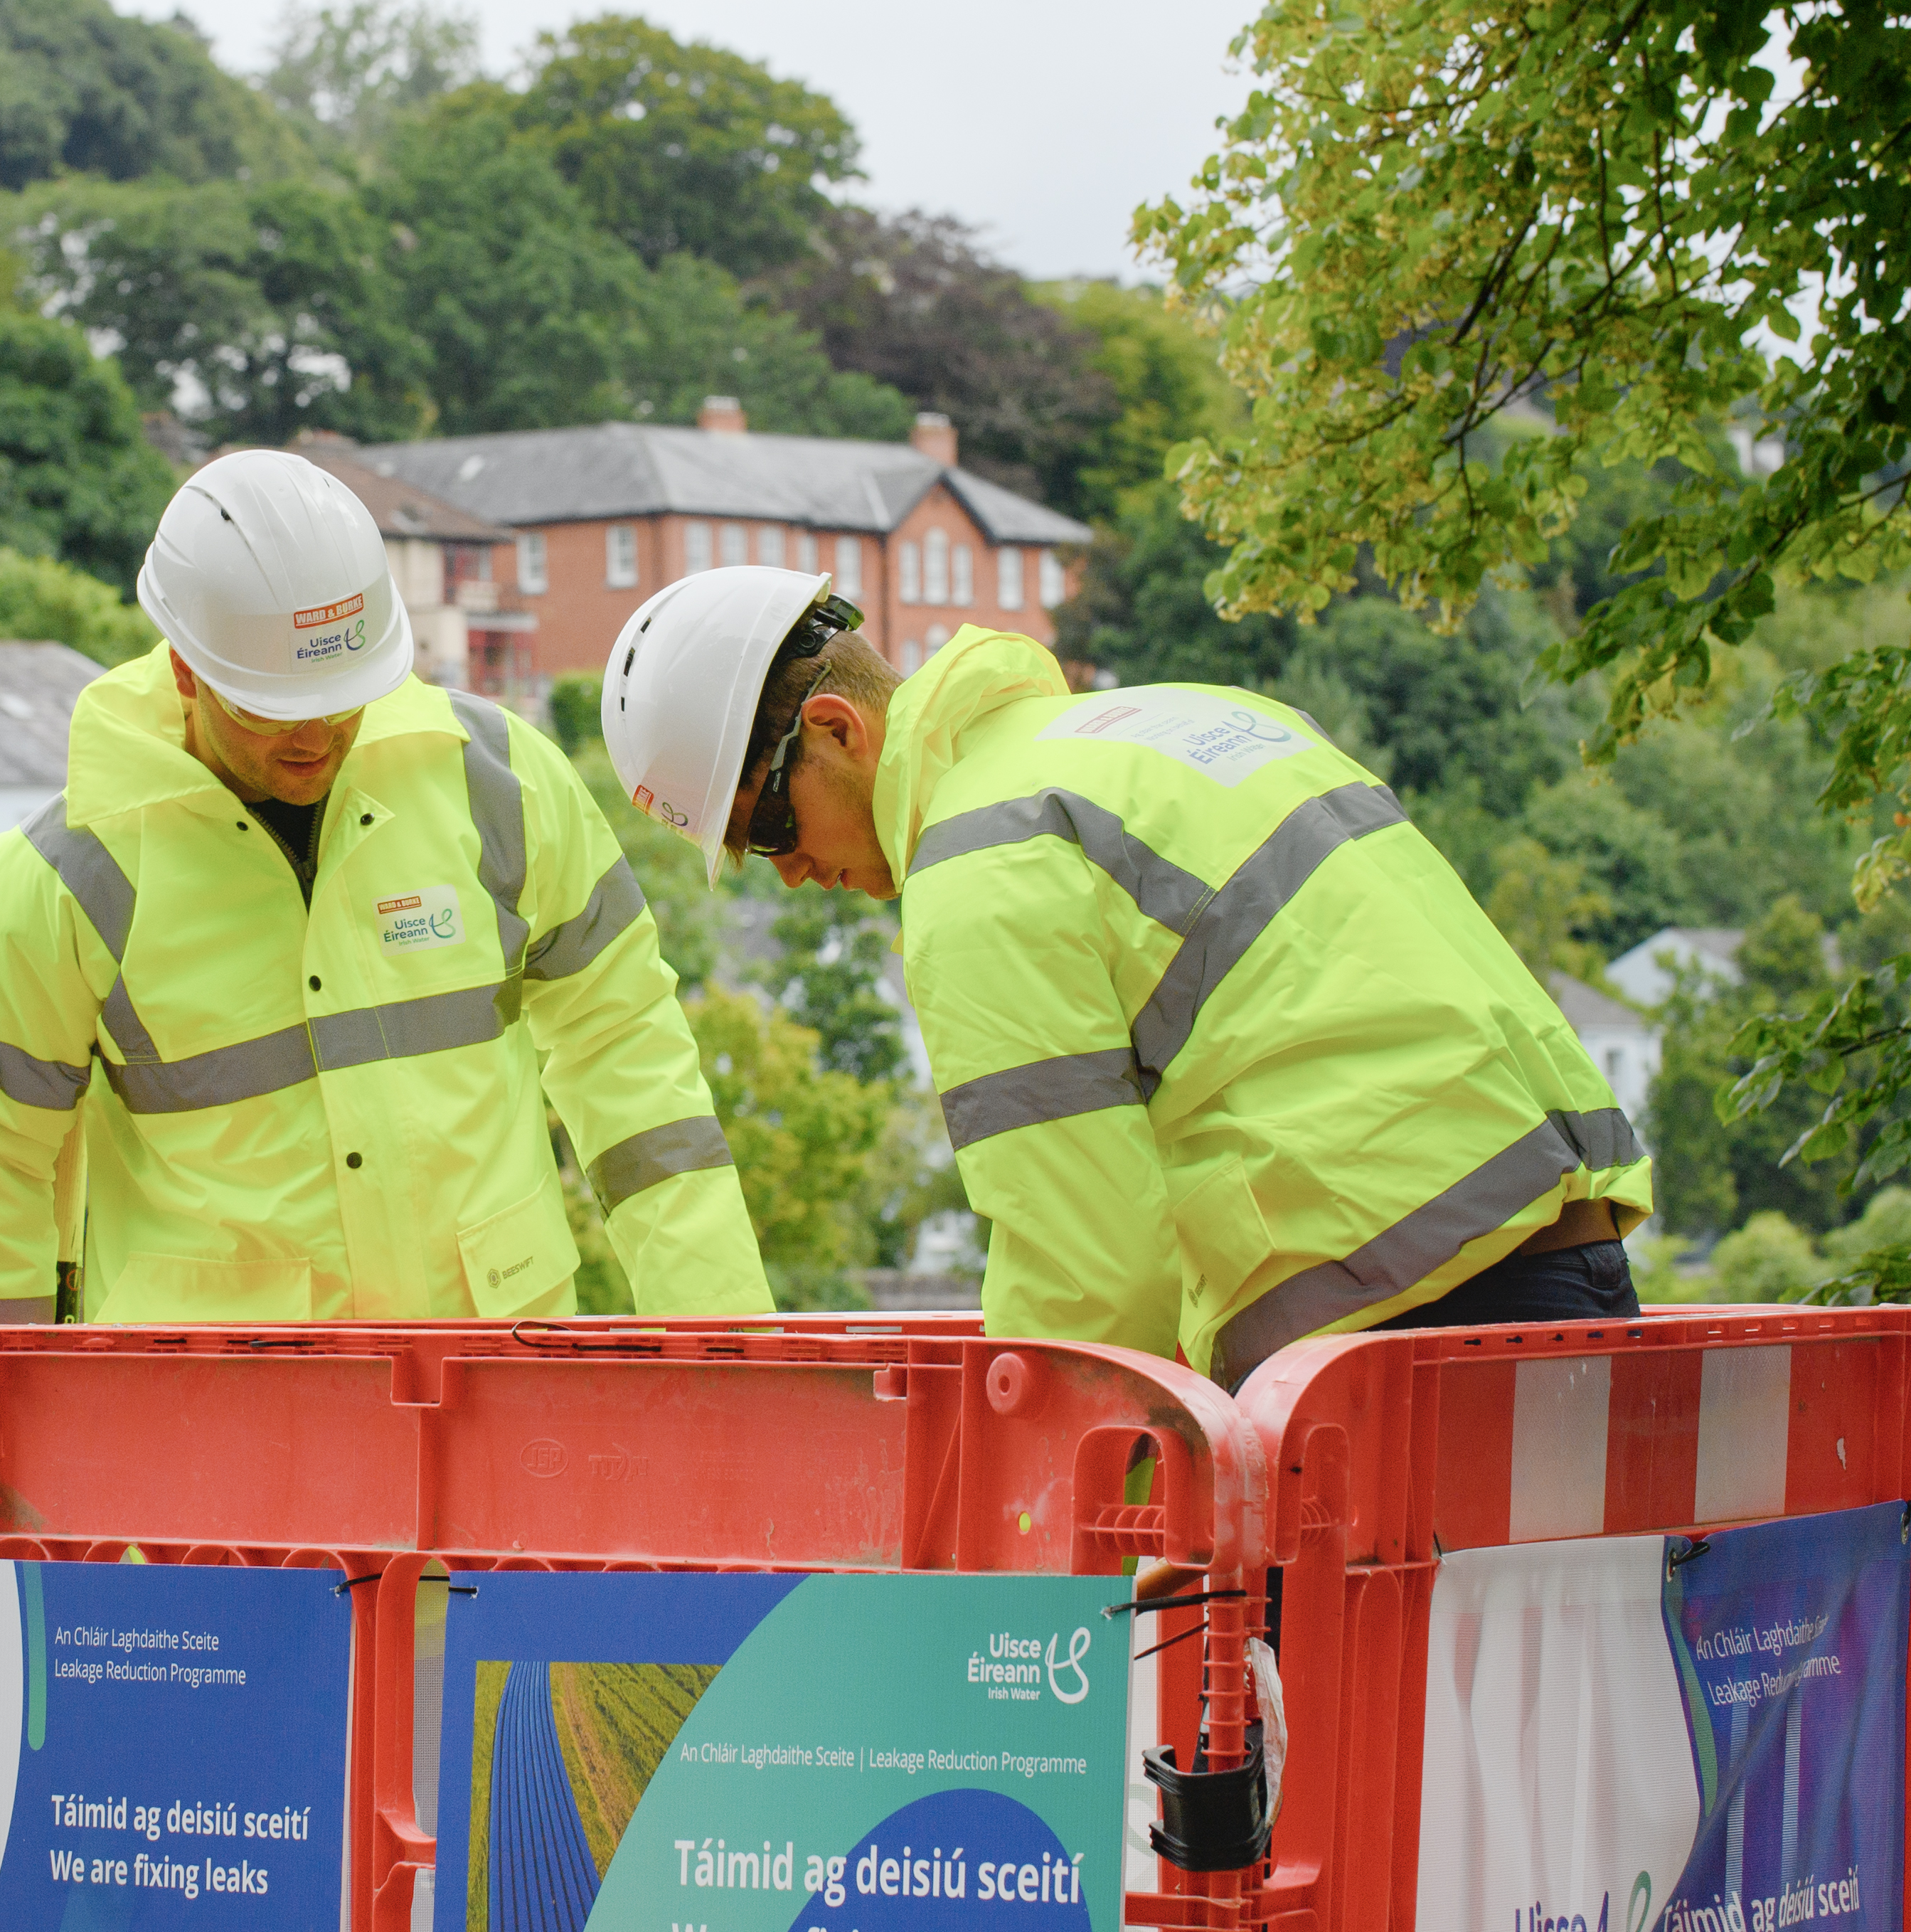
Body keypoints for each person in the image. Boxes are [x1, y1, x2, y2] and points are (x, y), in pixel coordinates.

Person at [598, 570, 1647, 1387]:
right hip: (1566, 1255)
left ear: (836, 731)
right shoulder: (1185, 720)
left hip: (1392, 1321)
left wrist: (1025, 1538)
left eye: (767, 825)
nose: (788, 874)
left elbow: (1087, 1270)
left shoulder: (980, 861)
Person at [0, 452, 769, 1325]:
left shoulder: (499, 785)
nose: (317, 735)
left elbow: (628, 1056)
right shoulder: (73, 874)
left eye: (343, 696)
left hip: (487, 1374)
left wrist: (723, 1339)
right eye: (274, 707)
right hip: (221, 1418)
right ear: (185, 670)